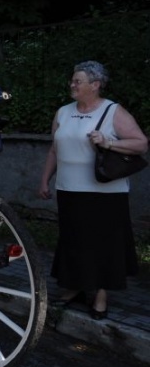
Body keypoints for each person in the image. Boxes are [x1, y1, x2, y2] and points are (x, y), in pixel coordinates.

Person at [38, 61, 147, 320]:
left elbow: (141, 143)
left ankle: (100, 294)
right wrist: (44, 180)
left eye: (78, 81)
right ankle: (75, 286)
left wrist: (108, 142)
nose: (72, 85)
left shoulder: (113, 111)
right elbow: (54, 150)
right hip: (68, 189)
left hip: (105, 193)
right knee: (73, 240)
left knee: (102, 244)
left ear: (95, 85)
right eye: (72, 80)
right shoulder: (63, 112)